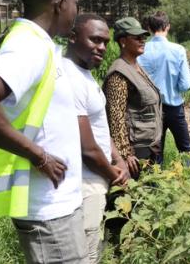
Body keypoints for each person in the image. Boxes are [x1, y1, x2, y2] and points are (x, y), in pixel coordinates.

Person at [0, 0, 87, 263]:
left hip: (57, 208)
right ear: (59, 3)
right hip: (48, 215)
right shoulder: (30, 47)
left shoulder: (41, 45)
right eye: (76, 2)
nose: (77, 10)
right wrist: (38, 155)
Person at [63, 13, 130, 263]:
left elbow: (100, 128)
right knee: (87, 252)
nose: (101, 47)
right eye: (94, 40)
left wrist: (119, 159)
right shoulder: (68, 77)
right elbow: (87, 148)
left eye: (105, 41)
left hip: (97, 180)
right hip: (85, 183)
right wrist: (115, 174)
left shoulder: (86, 74)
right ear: (72, 37)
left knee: (95, 245)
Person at [103, 17, 162, 179]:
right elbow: (116, 117)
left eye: (144, 37)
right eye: (137, 38)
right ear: (123, 41)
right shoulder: (119, 74)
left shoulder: (136, 66)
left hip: (149, 146)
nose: (142, 40)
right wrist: (125, 154)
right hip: (136, 153)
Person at [137, 11, 190, 163]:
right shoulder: (178, 50)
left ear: (148, 28)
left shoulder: (141, 50)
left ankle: (156, 184)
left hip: (150, 108)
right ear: (168, 26)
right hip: (174, 107)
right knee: (185, 149)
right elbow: (185, 85)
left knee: (155, 151)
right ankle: (189, 181)